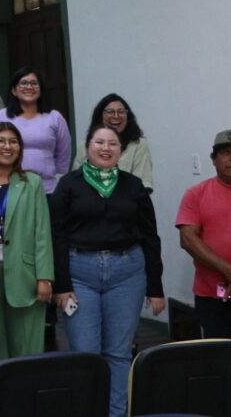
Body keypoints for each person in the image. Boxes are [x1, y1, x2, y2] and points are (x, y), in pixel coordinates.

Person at [51, 125, 164, 417]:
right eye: (99, 142)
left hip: (127, 274)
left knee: (119, 352)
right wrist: (62, 285)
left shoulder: (133, 186)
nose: (105, 148)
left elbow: (150, 237)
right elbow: (57, 235)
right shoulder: (69, 185)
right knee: (85, 354)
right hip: (80, 274)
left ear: (121, 150)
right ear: (88, 146)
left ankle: (116, 413)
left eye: (112, 143)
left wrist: (155, 287)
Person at [0, 122, 53, 358]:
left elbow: (42, 232)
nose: (7, 146)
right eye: (0, 141)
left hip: (25, 272)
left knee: (27, 346)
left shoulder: (32, 182)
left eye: (13, 141)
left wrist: (45, 277)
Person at [177, 129, 231, 338]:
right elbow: (188, 240)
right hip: (212, 295)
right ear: (213, 159)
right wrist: (228, 271)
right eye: (226, 152)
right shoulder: (196, 194)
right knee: (219, 353)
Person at [0, 67, 71, 194]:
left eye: (34, 83)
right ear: (14, 90)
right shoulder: (1, 116)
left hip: (47, 188)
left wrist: (59, 180)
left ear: (40, 90)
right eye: (24, 83)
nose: (29, 87)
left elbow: (64, 154)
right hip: (10, 187)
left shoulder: (55, 117)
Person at [72, 94, 153, 191]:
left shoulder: (138, 145)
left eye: (121, 111)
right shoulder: (86, 145)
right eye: (110, 111)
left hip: (127, 199)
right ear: (100, 116)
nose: (116, 116)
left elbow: (143, 185)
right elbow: (74, 183)